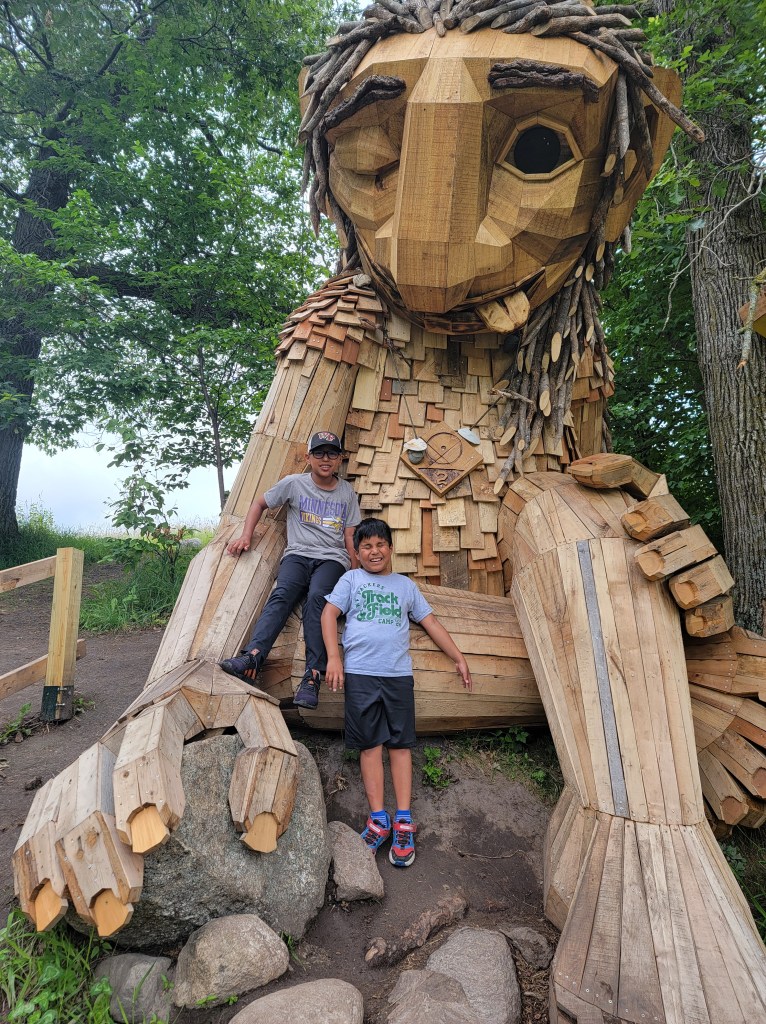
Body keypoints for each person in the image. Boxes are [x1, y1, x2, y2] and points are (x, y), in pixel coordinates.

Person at [322, 518, 472, 867]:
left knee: (400, 745)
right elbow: (329, 615)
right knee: (370, 746)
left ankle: (403, 819)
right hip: (359, 675)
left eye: (380, 545)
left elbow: (430, 622)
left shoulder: (405, 587)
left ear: (390, 548)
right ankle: (378, 819)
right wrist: (334, 657)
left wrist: (459, 657)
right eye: (367, 547)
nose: (374, 552)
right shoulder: (351, 580)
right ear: (356, 553)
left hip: (397, 676)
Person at [220, 431, 361, 709]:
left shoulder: (346, 492)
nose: (325, 459)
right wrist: (246, 536)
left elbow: (349, 536)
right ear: (308, 457)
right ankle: (254, 655)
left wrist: (355, 575)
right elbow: (259, 503)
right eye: (319, 453)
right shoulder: (294, 484)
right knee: (282, 592)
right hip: (297, 555)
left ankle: (312, 676)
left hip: (332, 560)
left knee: (318, 598)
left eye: (332, 453)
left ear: (339, 459)